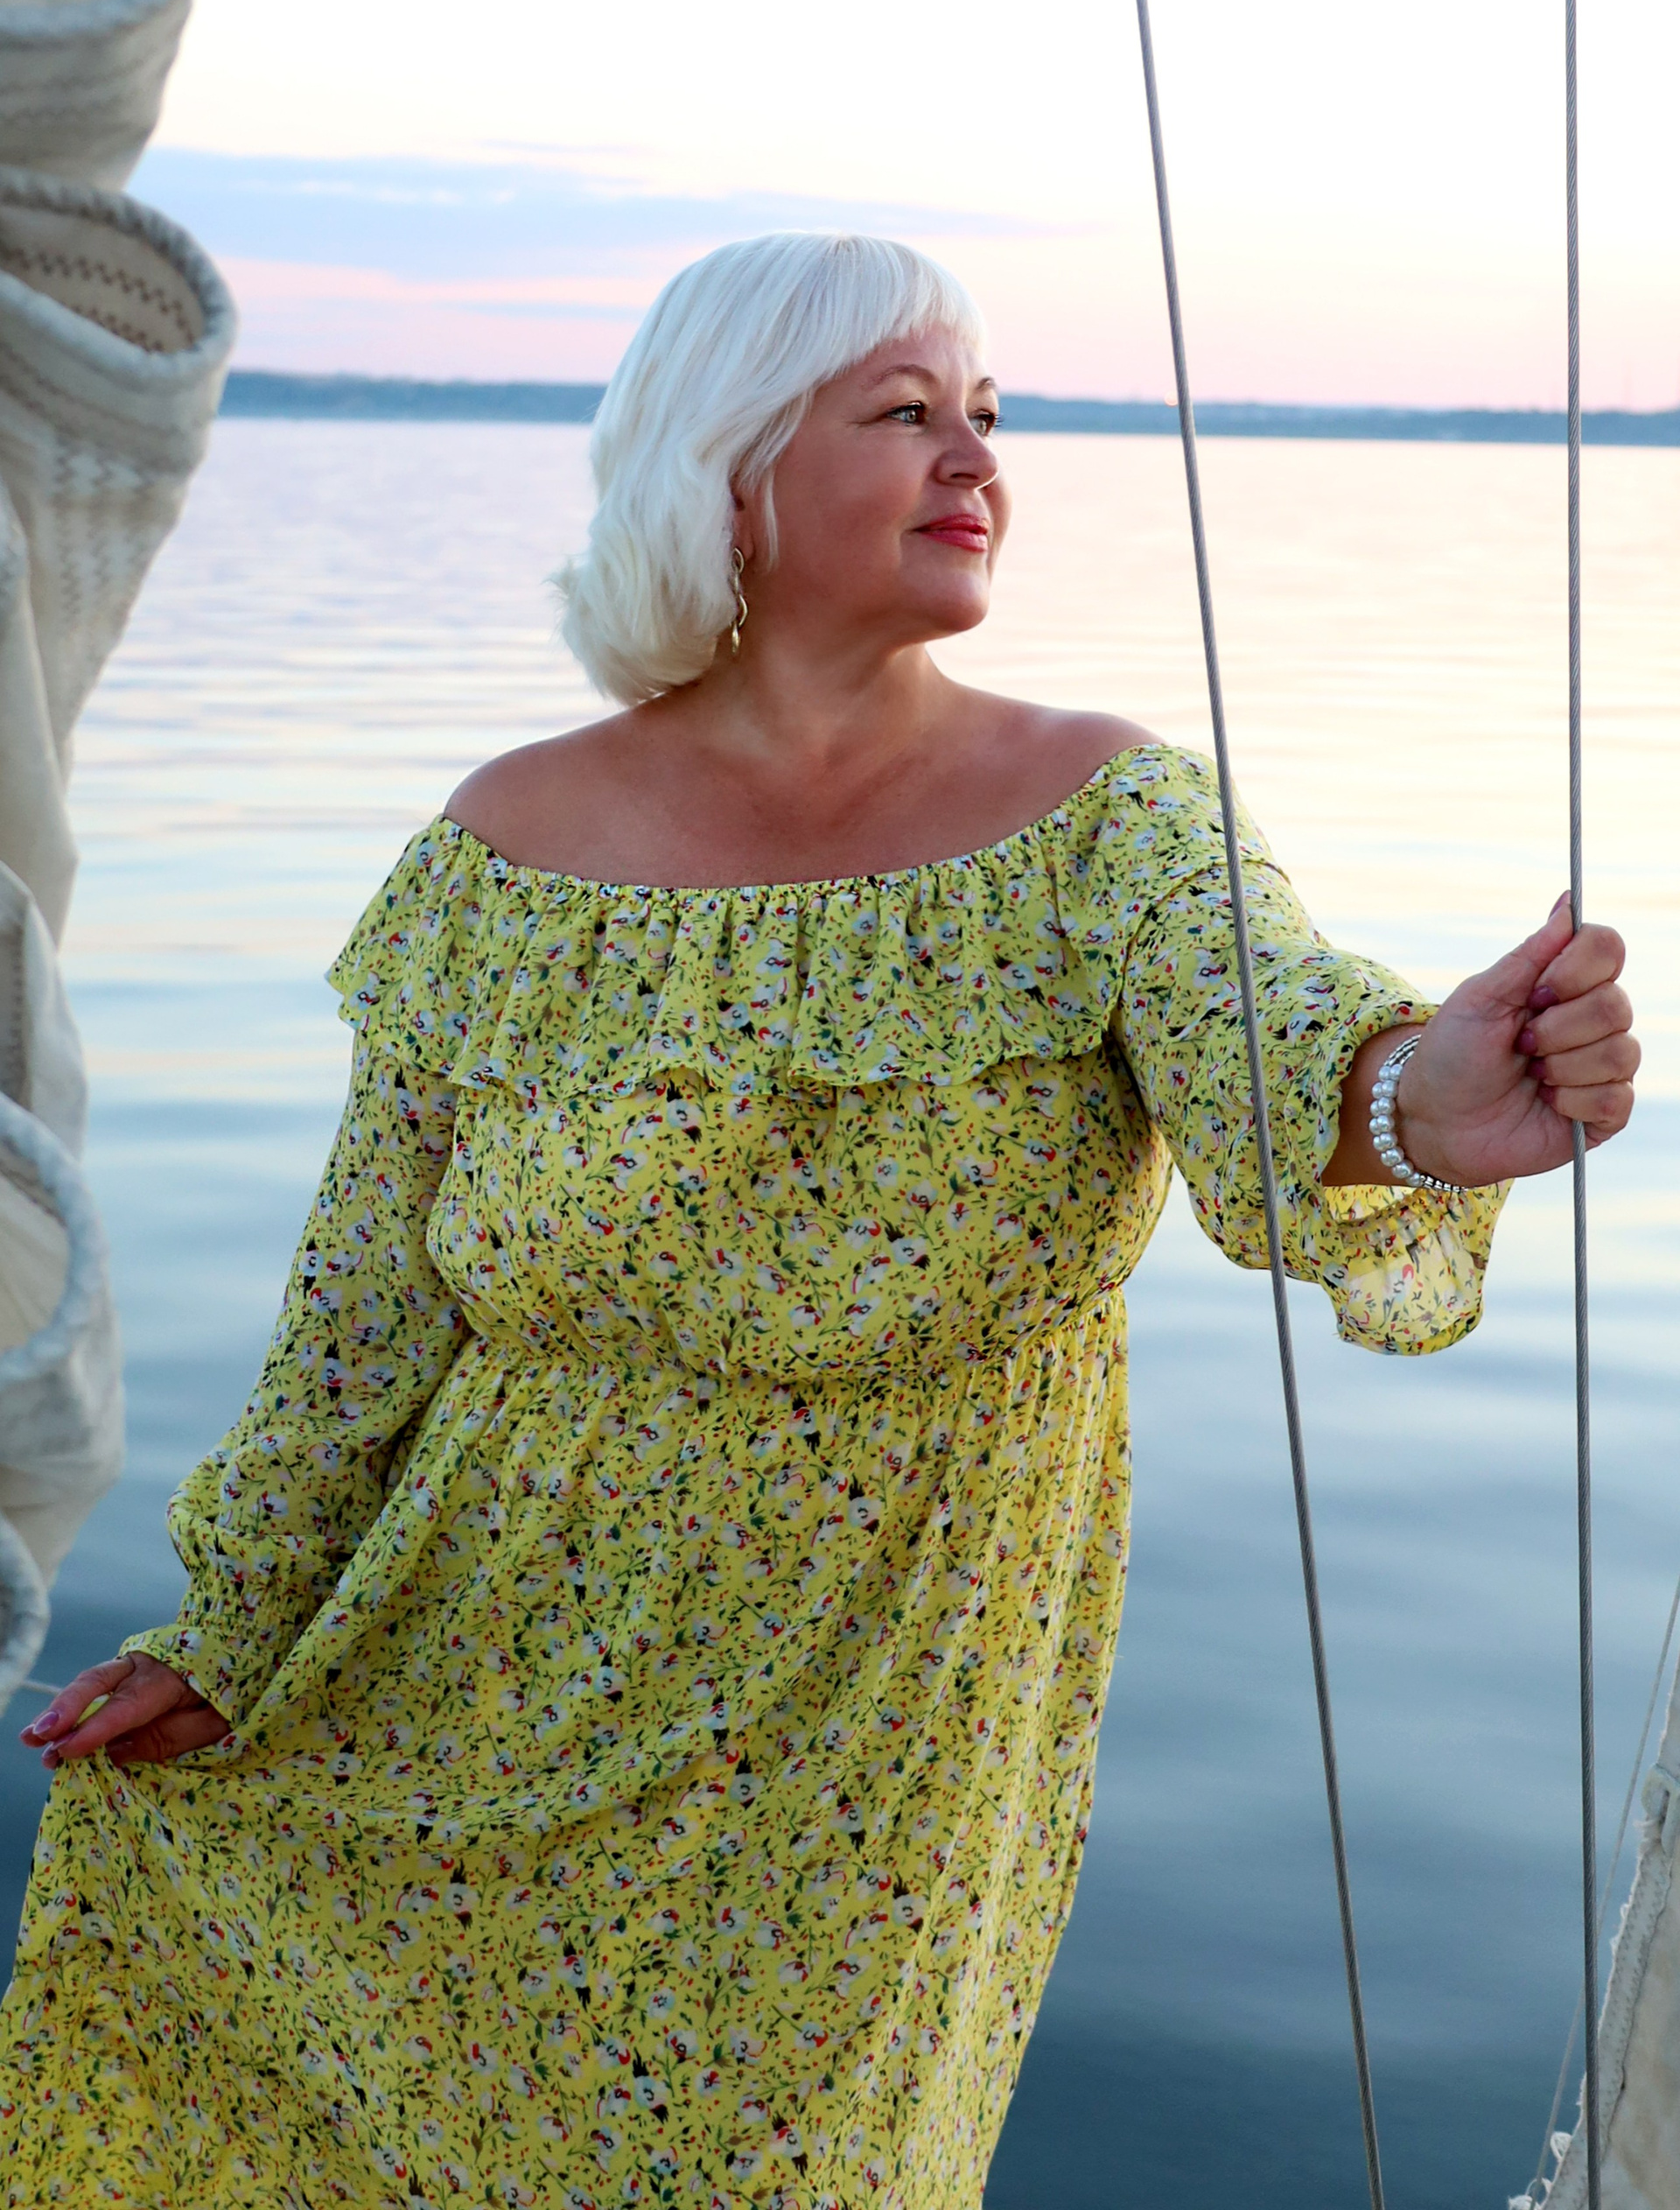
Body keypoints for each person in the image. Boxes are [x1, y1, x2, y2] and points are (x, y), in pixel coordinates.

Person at [4, 234, 1639, 2208]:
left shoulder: (1107, 822)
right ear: (733, 470)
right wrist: (233, 1636)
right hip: (480, 1675)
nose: (979, 460)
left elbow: (1285, 1051)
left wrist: (1420, 1101)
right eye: (906, 412)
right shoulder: (502, 852)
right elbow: (362, 1322)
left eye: (990, 417)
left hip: (877, 1748)